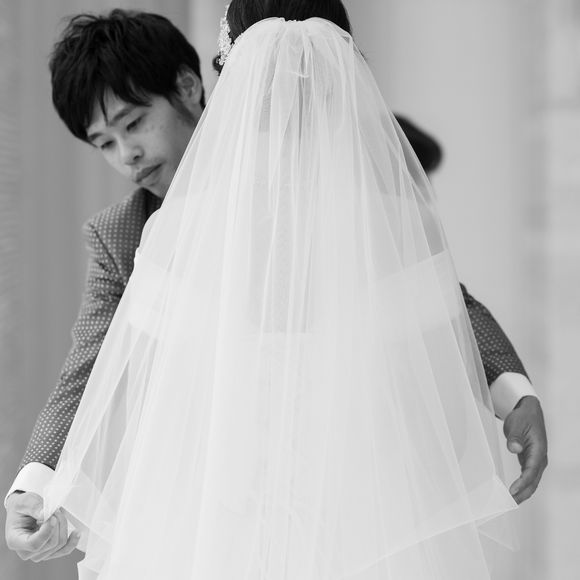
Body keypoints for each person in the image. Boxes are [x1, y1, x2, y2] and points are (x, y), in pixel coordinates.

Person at [3, 5, 547, 572]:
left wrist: (514, 391)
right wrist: (33, 483)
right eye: (104, 143)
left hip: (346, 489)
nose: (127, 155)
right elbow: (87, 367)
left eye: (134, 123)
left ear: (189, 87)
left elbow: (437, 297)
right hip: (206, 508)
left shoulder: (328, 191)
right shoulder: (124, 234)